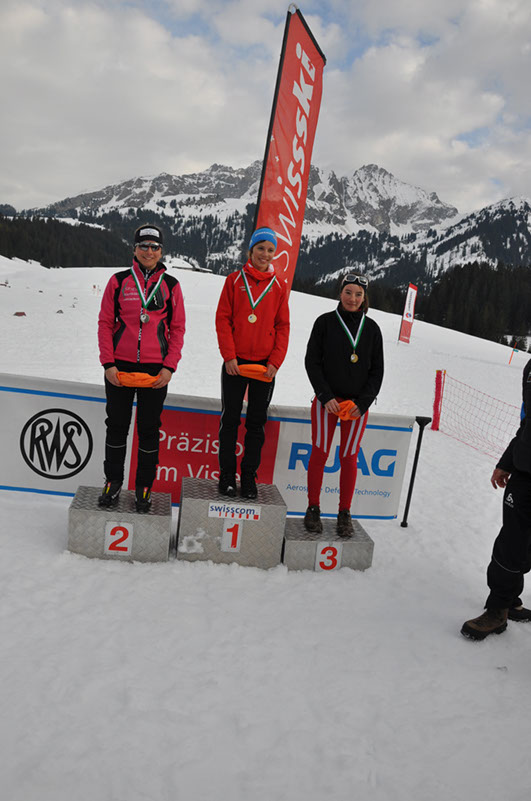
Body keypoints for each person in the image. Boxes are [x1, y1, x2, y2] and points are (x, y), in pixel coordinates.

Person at [97, 224, 185, 512]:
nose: (149, 251)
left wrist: (169, 367)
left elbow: (177, 329)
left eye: (154, 247)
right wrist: (108, 363)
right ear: (134, 249)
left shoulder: (171, 285)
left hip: (155, 370)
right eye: (143, 246)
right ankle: (113, 482)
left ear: (161, 251)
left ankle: (144, 486)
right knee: (116, 427)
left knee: (149, 430)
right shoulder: (119, 281)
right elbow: (105, 323)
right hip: (119, 368)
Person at [304, 273, 384, 536]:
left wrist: (363, 403)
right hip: (326, 403)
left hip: (355, 407)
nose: (353, 299)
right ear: (340, 293)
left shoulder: (372, 329)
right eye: (348, 292)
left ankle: (344, 513)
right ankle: (313, 508)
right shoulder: (324, 322)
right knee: (319, 453)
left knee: (349, 457)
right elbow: (312, 361)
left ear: (364, 298)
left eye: (358, 294)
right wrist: (325, 396)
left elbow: (377, 371)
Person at [215, 226, 290, 499]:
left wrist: (275, 362)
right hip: (235, 364)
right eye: (260, 248)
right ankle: (227, 476)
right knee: (230, 420)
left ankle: (248, 477)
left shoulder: (279, 286)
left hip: (264, 367)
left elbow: (283, 326)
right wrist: (229, 356)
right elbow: (223, 319)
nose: (265, 254)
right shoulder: (234, 281)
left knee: (256, 424)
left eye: (270, 250)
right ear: (251, 250)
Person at [461, 359, 531, 640]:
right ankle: (500, 607)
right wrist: (507, 461)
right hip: (525, 474)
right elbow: (527, 422)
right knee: (512, 542)